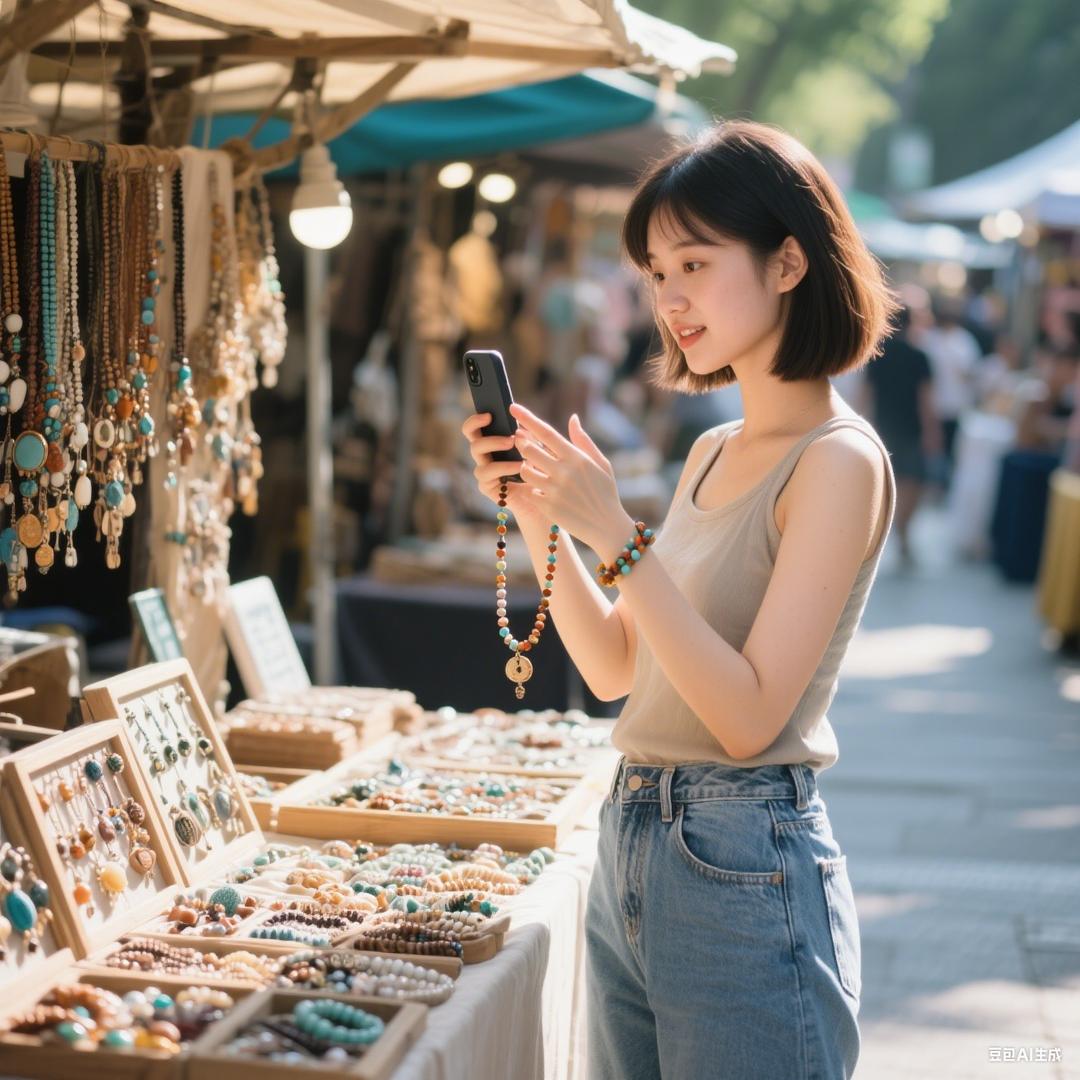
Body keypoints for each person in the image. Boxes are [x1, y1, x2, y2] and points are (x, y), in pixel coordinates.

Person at [463, 120, 896, 1080]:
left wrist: (615, 530)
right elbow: (620, 667)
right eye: (657, 272)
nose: (670, 298)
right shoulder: (710, 448)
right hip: (632, 832)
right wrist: (541, 515)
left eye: (695, 263)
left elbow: (746, 718)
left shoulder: (838, 460)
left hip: (740, 854)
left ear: (789, 262)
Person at [862, 303, 941, 566]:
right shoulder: (919, 356)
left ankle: (886, 532)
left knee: (881, 483)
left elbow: (866, 394)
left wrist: (863, 424)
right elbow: (925, 399)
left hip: (881, 426)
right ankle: (902, 530)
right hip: (910, 427)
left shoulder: (877, 355)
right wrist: (932, 432)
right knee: (913, 481)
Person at [919, 300, 981, 486]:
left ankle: (941, 484)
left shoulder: (961, 340)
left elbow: (969, 373)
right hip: (938, 404)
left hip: (952, 405)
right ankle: (934, 482)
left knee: (947, 448)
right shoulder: (933, 338)